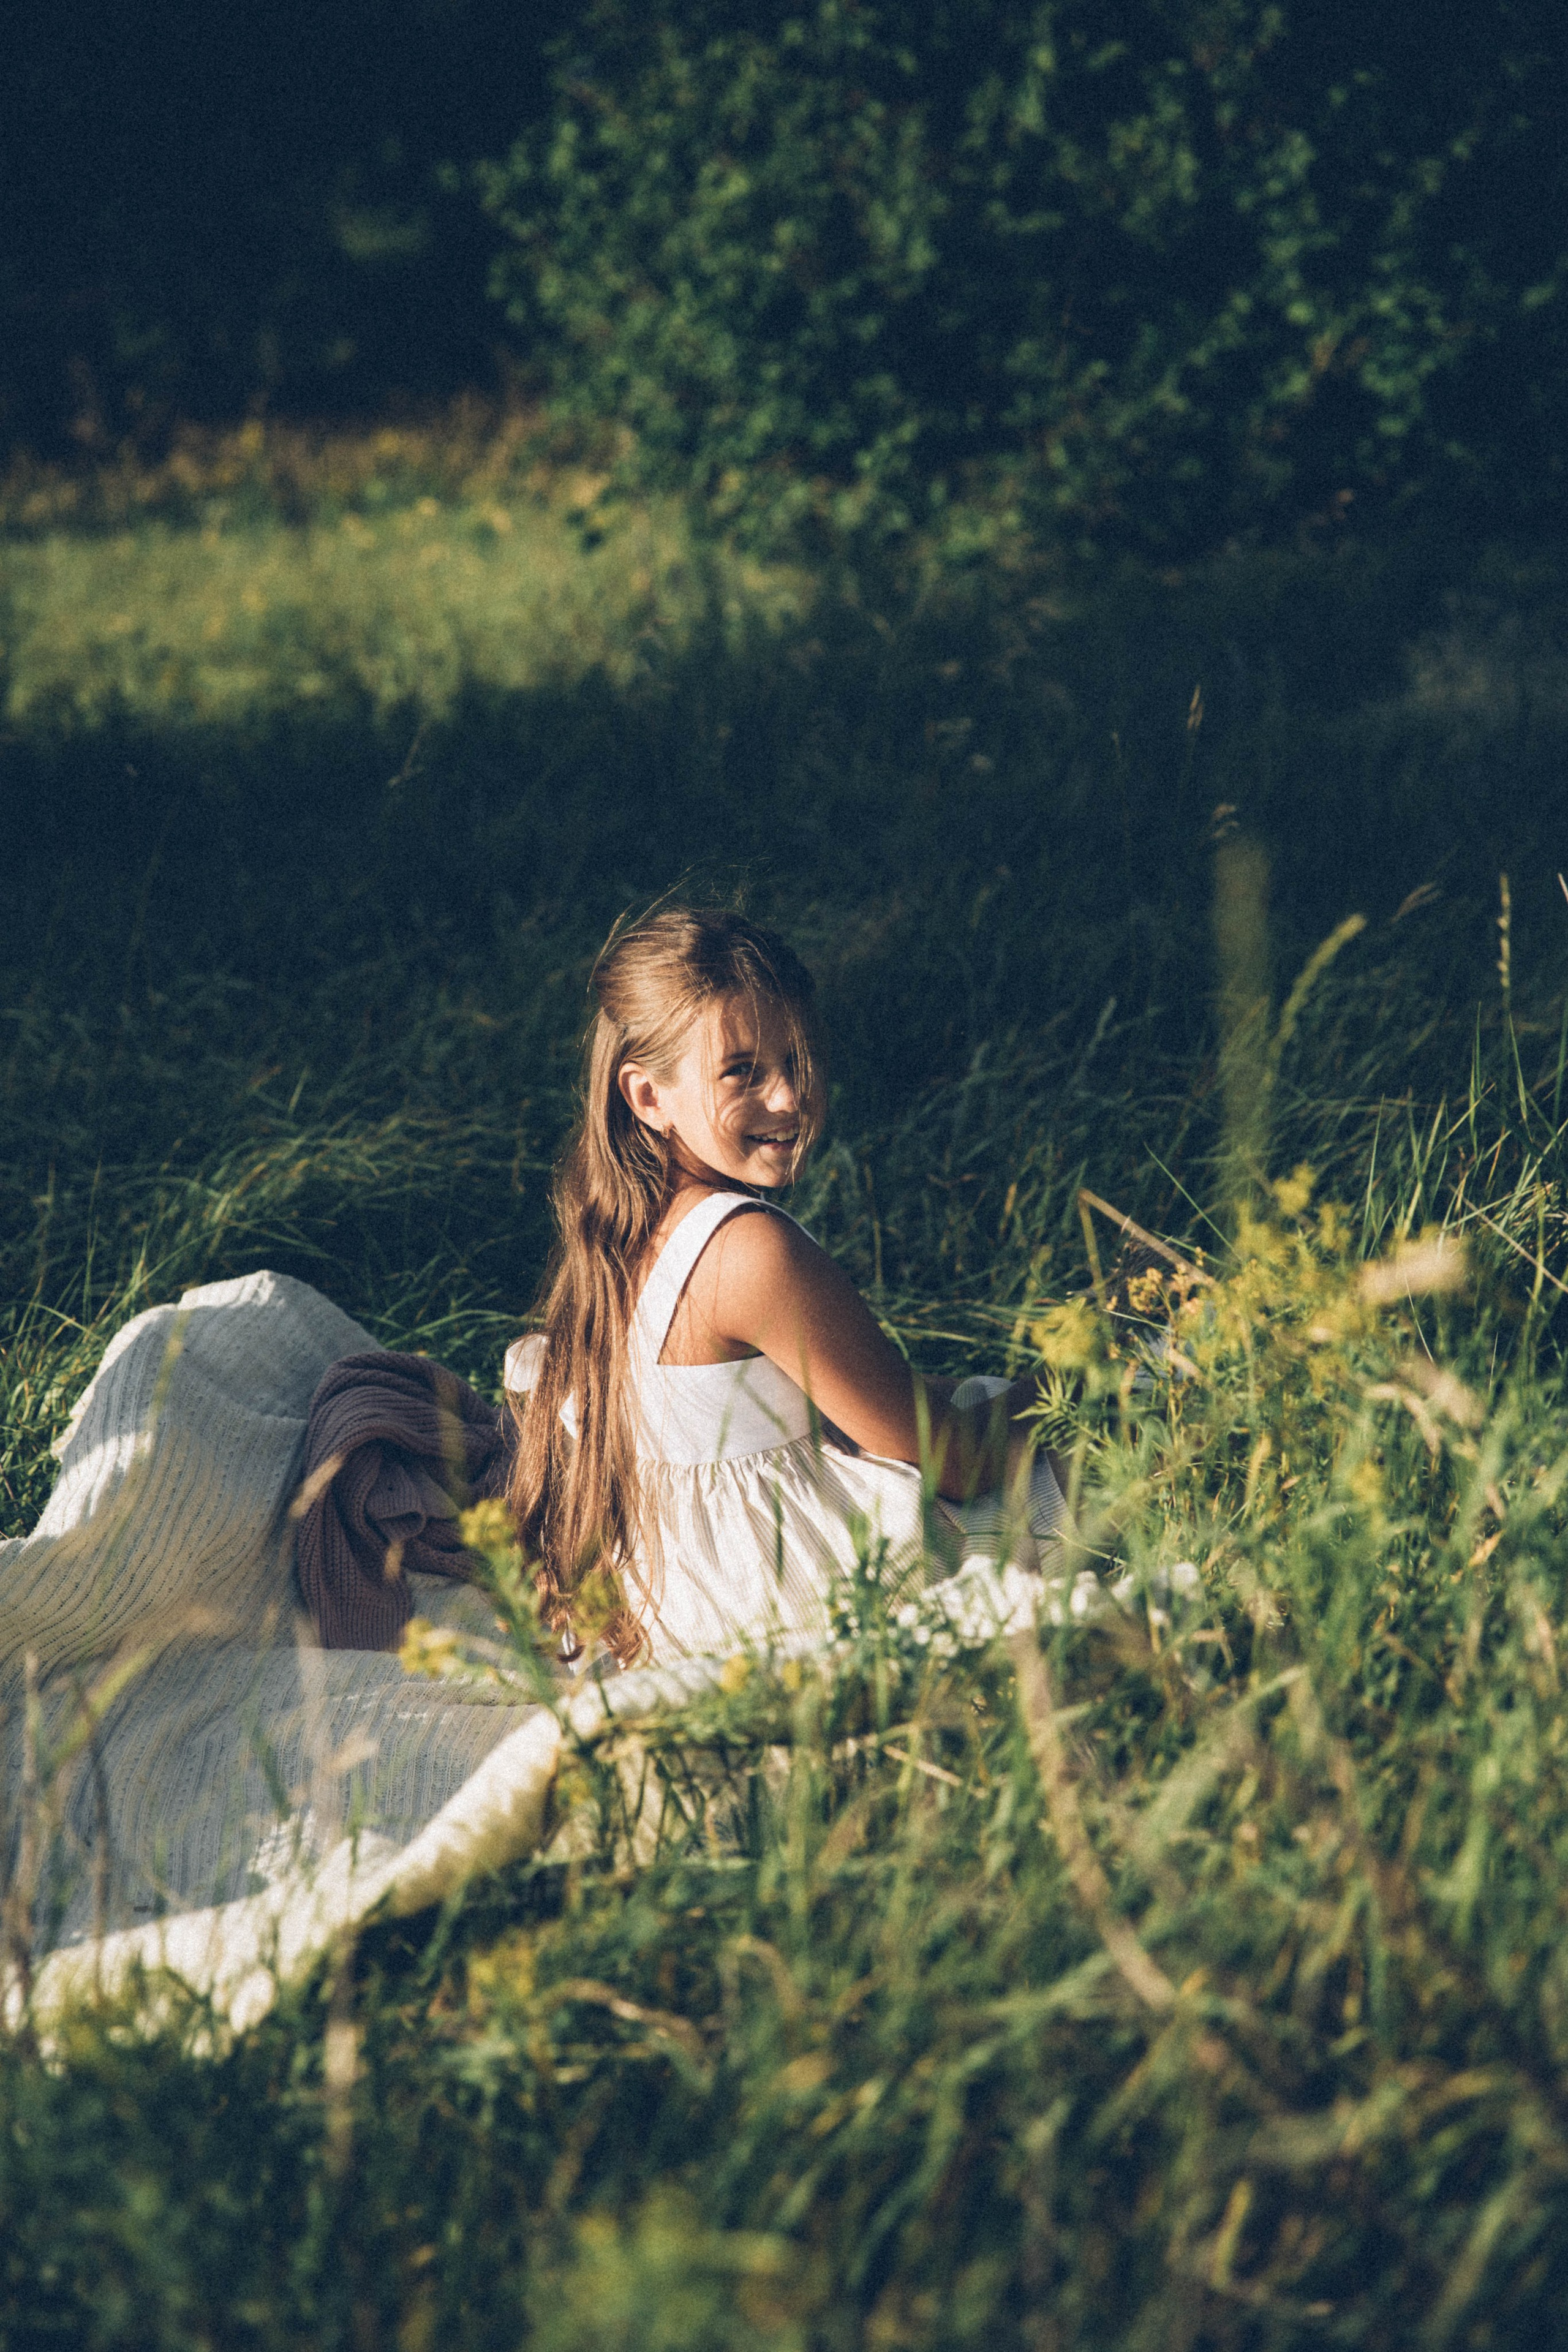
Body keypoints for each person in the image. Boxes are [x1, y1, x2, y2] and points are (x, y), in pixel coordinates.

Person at [505, 906, 1069, 1668]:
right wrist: (1063, 1389)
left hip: (688, 1606)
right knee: (1107, 1439)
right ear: (648, 1098)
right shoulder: (749, 1252)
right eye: (742, 1072)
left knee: (978, 1399)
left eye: (796, 1062)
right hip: (797, 1604)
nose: (790, 1098)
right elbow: (957, 1464)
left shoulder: (619, 1233)